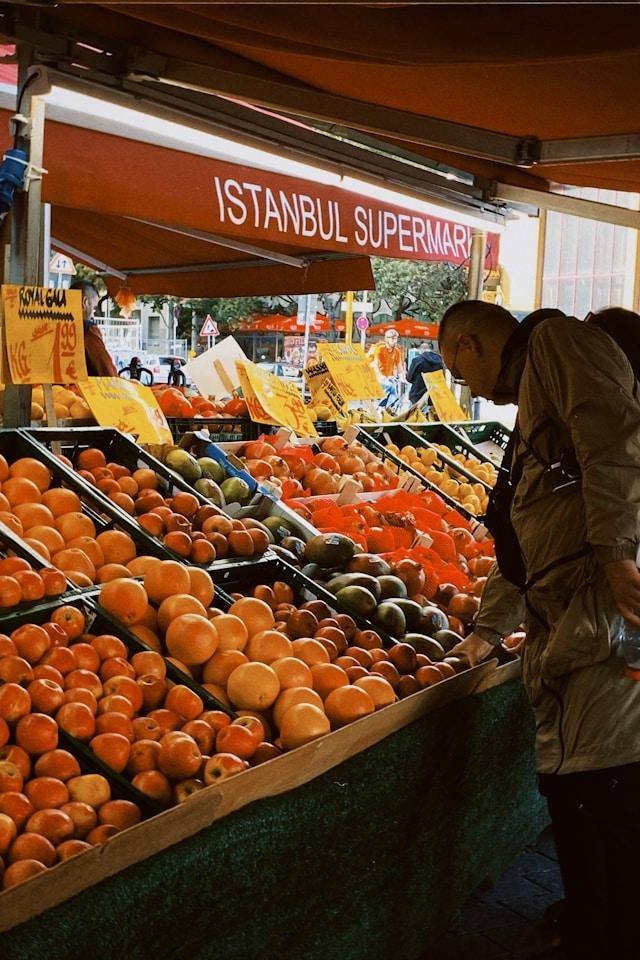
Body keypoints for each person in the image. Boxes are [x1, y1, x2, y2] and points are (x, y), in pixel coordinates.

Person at [438, 299, 640, 960]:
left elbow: (613, 436)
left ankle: (601, 936)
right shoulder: (536, 393)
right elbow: (527, 534)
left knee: (597, 799)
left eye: (455, 368)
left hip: (595, 633)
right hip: (574, 634)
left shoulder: (555, 344)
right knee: (582, 794)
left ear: (469, 341)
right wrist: (488, 629)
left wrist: (616, 555)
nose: (463, 386)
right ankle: (592, 923)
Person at [70, 280, 118, 377]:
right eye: (94, 307)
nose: (93, 315)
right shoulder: (88, 330)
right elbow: (107, 371)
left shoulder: (50, 328)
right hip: (80, 390)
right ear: (84, 302)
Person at [368, 328, 405, 409]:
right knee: (391, 387)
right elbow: (375, 364)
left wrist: (402, 377)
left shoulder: (397, 351)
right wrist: (380, 376)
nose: (394, 341)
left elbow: (399, 366)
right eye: (392, 338)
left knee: (392, 394)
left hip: (389, 378)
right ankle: (382, 406)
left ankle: (383, 408)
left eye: (395, 339)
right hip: (378, 377)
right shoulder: (380, 349)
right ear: (386, 339)